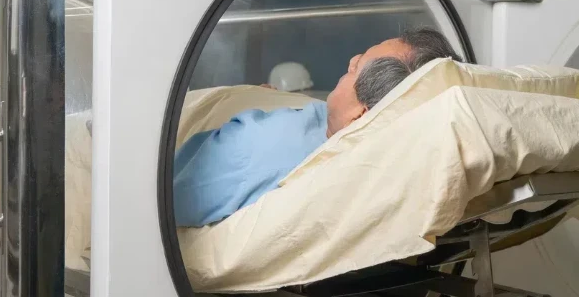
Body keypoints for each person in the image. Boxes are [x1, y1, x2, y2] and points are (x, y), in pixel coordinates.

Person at [174, 27, 461, 227]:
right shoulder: (340, 128)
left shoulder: (261, 149)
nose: (349, 61)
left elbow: (163, 204)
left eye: (355, 67)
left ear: (360, 116)